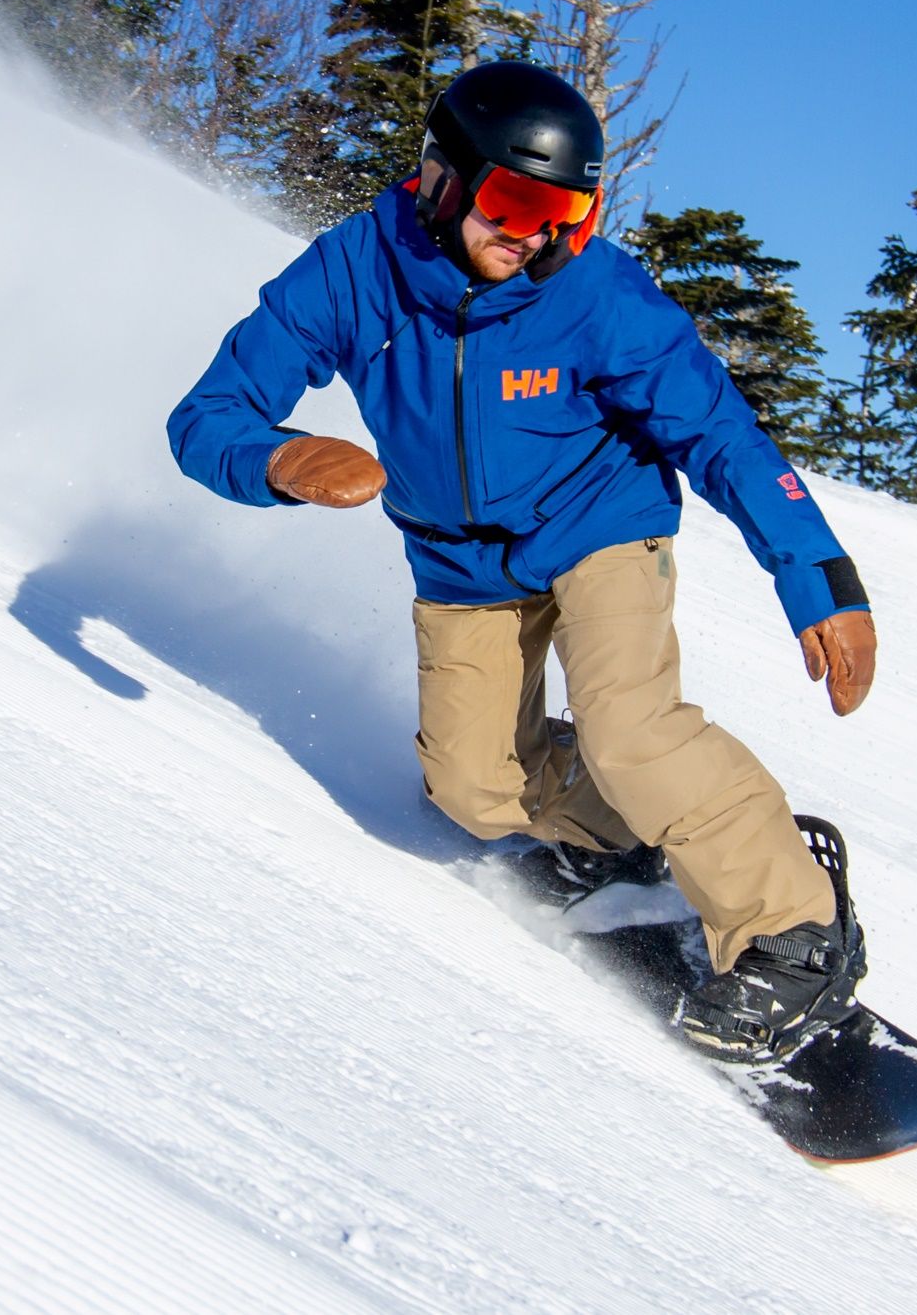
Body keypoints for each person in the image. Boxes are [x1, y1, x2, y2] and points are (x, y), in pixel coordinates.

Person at [168, 60, 879, 1062]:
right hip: (459, 562)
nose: (535, 234)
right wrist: (276, 458)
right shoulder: (353, 272)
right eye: (515, 202)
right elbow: (204, 420)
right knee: (474, 789)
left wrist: (818, 575)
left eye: (566, 215)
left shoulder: (595, 295)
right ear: (442, 179)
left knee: (629, 726)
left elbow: (723, 435)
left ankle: (796, 929)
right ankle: (630, 836)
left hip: (599, 525)